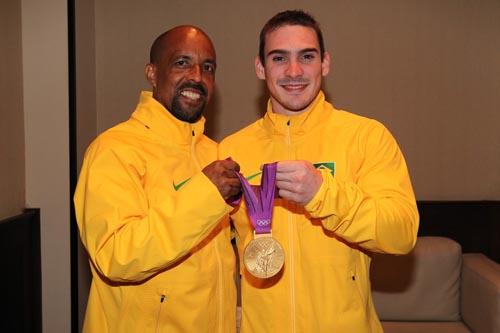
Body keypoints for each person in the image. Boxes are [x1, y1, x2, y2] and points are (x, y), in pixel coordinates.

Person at [219, 10, 419, 332]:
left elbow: (401, 234)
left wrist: (323, 194)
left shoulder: (366, 136)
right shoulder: (231, 150)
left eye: (307, 56)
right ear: (260, 67)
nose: (294, 71)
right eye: (279, 58)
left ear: (325, 63)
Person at [74, 25, 241, 332]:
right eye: (182, 63)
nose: (197, 77)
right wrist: (205, 194)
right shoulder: (113, 150)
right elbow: (115, 256)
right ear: (152, 73)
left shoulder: (216, 154)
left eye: (208, 68)